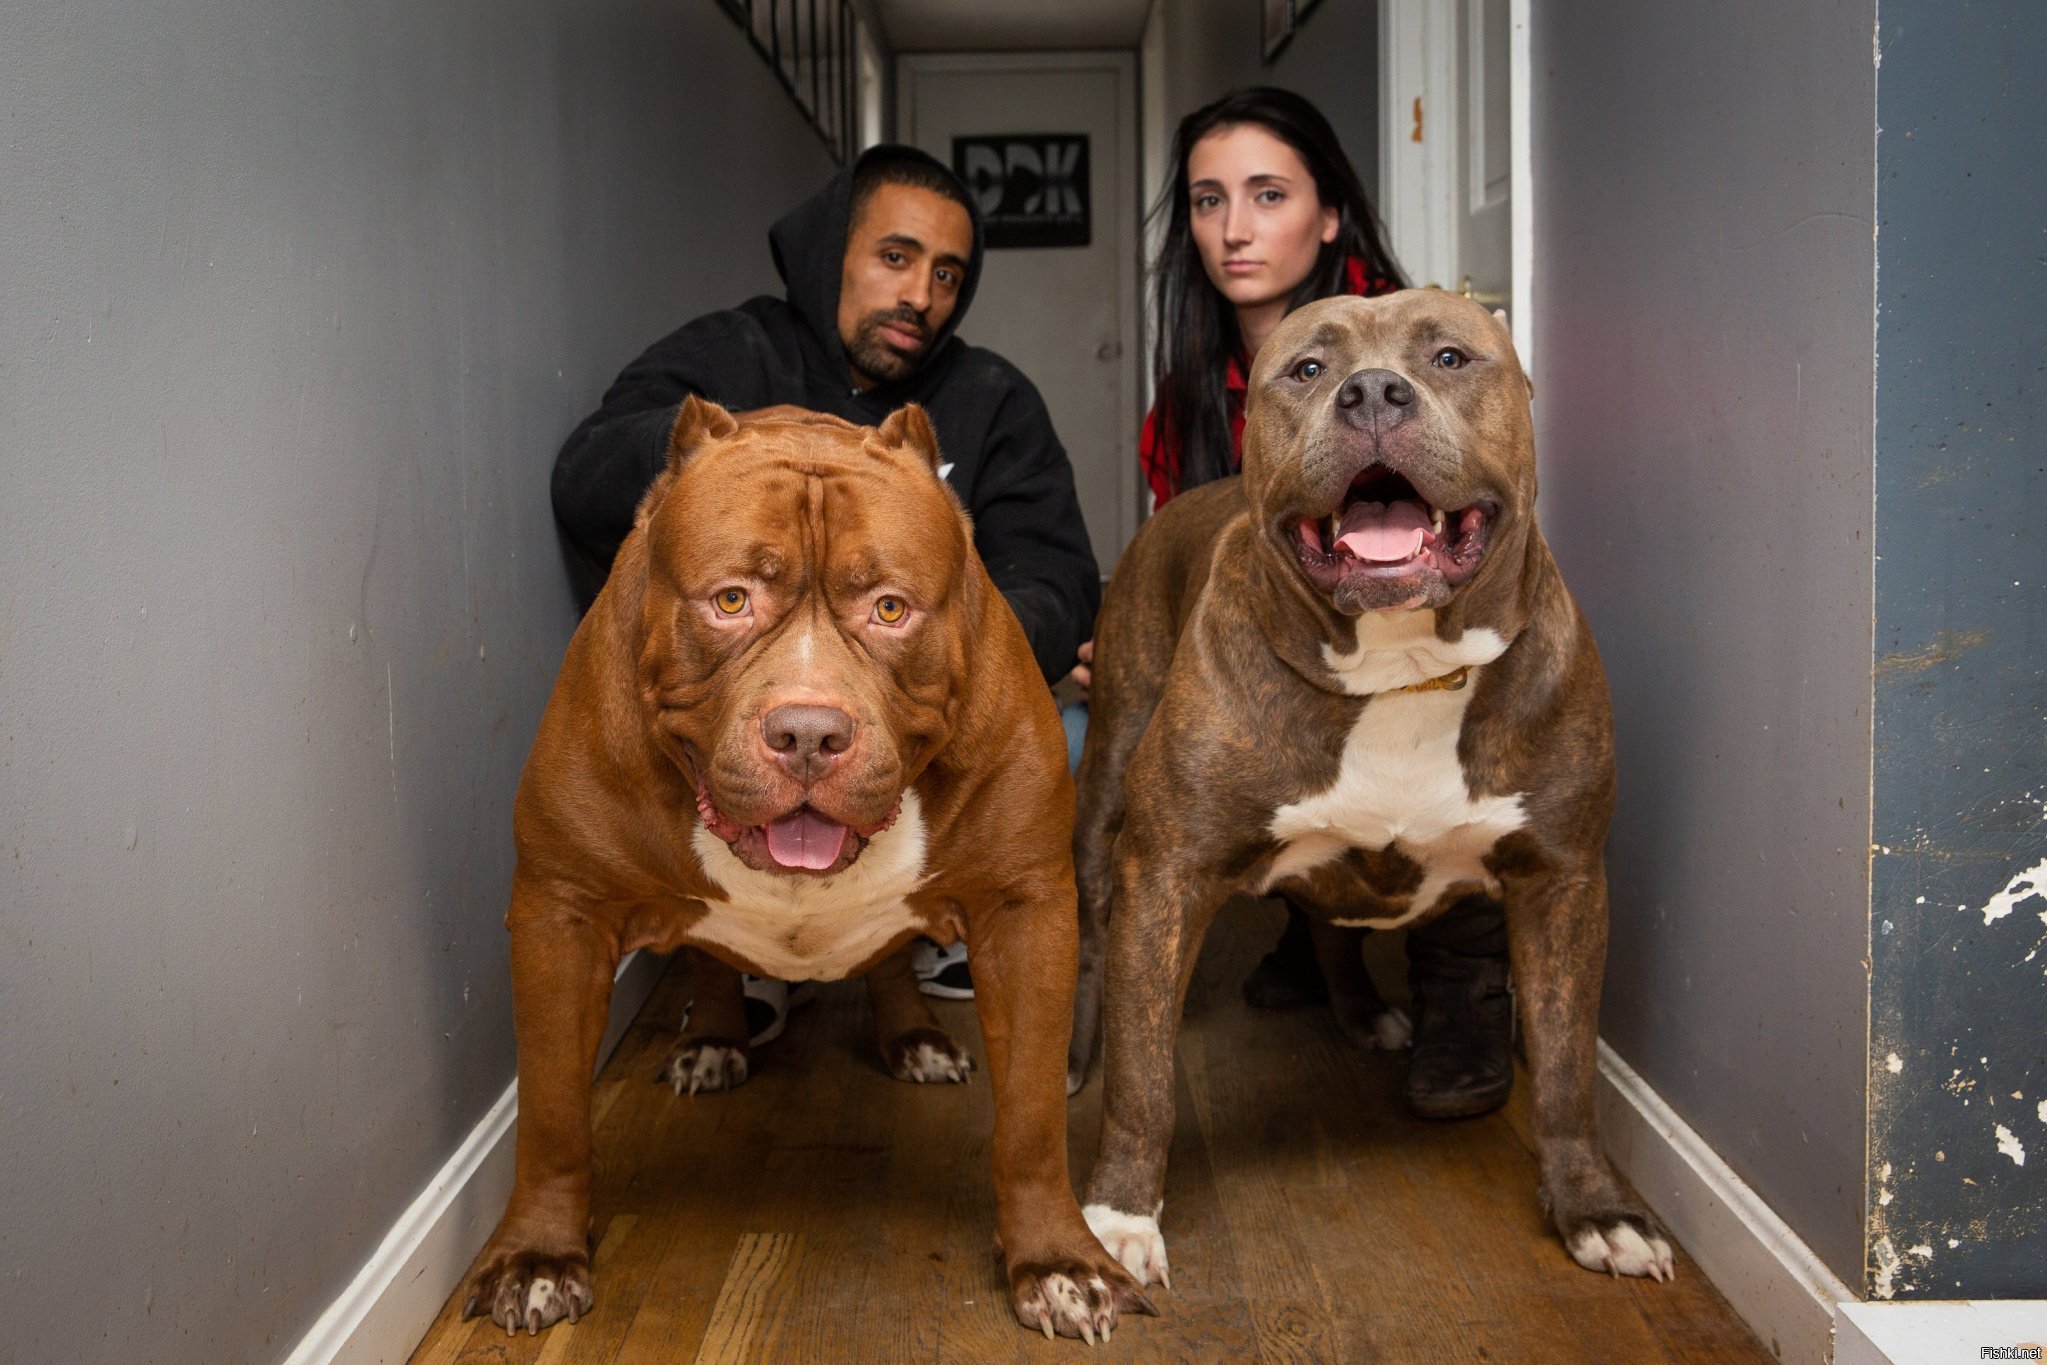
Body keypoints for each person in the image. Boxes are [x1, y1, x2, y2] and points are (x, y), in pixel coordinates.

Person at [553, 145, 1099, 1032]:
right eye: (895, 256)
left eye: (946, 273)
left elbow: (1057, 576)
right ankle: (745, 944)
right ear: (828, 253)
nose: (920, 294)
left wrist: (936, 639)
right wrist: (745, 453)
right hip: (747, 728)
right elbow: (583, 478)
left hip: (916, 725)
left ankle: (930, 921)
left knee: (1062, 740)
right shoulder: (728, 352)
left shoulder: (992, 398)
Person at [1128, 87, 1515, 1119]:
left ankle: (1463, 988)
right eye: (1208, 200)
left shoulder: (1411, 352)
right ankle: (1313, 922)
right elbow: (1190, 548)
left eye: (1268, 194)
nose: (1234, 228)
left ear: (1330, 213)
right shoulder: (1188, 390)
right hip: (1280, 646)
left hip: (1428, 635)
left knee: (1452, 727)